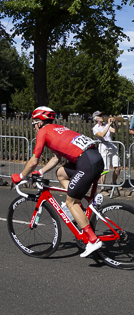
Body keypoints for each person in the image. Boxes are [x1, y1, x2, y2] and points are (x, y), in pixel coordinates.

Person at [12, 106, 105, 257]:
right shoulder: (59, 128)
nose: (34, 128)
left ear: (39, 123)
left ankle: (93, 240)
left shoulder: (43, 131)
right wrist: (41, 172)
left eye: (34, 124)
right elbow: (57, 158)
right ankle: (79, 206)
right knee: (61, 173)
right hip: (95, 158)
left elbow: (33, 160)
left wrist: (20, 176)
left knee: (71, 202)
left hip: (86, 162)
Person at [92, 111, 121, 195]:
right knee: (105, 169)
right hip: (103, 148)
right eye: (100, 115)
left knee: (118, 167)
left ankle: (114, 183)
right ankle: (102, 187)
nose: (102, 116)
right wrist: (108, 125)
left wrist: (114, 123)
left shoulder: (105, 125)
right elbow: (101, 135)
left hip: (112, 147)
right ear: (96, 118)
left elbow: (115, 131)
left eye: (102, 115)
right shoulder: (95, 128)